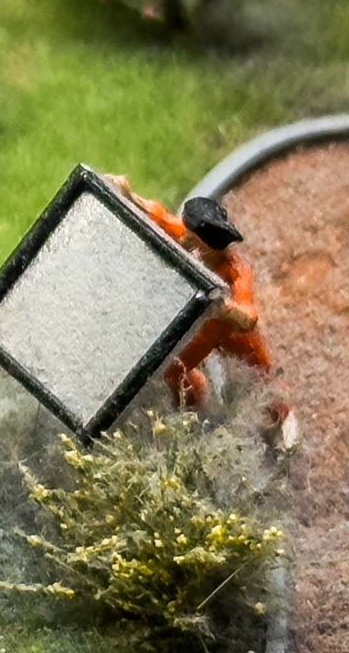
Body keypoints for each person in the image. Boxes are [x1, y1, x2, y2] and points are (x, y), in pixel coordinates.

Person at [110, 176, 298, 450]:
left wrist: (226, 309)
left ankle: (282, 417)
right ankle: (194, 402)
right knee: (173, 369)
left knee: (260, 373)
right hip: (199, 327)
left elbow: (248, 317)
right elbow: (158, 215)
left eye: (190, 236)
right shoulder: (187, 239)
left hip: (228, 330)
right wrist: (128, 194)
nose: (183, 235)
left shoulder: (236, 272)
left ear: (206, 245)